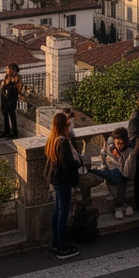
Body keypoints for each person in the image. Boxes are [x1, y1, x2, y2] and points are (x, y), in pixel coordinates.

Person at [45, 111, 80, 260]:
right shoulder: (63, 141)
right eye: (68, 121)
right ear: (63, 124)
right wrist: (77, 163)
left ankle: (56, 242)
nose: (69, 122)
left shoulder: (53, 139)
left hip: (56, 179)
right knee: (63, 212)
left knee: (57, 210)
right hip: (63, 180)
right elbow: (67, 163)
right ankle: (62, 246)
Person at [88, 127, 133, 220]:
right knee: (113, 175)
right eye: (117, 143)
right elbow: (108, 164)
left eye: (121, 143)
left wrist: (120, 159)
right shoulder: (110, 149)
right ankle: (123, 205)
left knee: (118, 177)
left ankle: (119, 206)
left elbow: (127, 170)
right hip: (113, 175)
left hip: (124, 174)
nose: (119, 145)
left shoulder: (129, 151)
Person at [0, 64, 23, 138]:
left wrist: (16, 96)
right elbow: (3, 86)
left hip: (12, 98)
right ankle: (6, 130)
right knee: (5, 113)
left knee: (12, 114)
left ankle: (14, 131)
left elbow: (19, 90)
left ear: (12, 69)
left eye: (7, 68)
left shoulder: (16, 78)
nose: (6, 69)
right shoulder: (6, 76)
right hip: (5, 97)